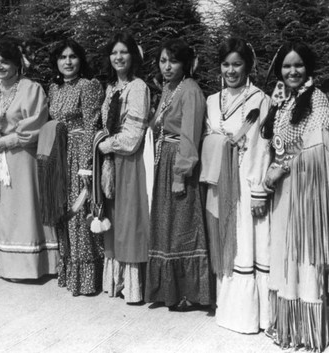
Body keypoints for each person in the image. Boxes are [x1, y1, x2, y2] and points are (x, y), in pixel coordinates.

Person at [261, 41, 329, 351]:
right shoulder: (284, 99)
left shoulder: (317, 100)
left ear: (308, 67)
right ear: (279, 70)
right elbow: (272, 140)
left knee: (304, 255)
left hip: (307, 191)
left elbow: (316, 146)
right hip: (285, 191)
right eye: (286, 66)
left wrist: (280, 167)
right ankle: (288, 328)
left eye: (298, 65)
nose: (292, 71)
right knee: (284, 253)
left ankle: (308, 333)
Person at [200, 38, 271, 332]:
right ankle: (228, 311)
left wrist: (258, 191)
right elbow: (206, 137)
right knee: (225, 238)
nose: (231, 70)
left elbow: (260, 146)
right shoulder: (211, 101)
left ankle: (253, 317)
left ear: (248, 66)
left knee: (246, 242)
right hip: (220, 181)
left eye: (237, 64)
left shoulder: (259, 99)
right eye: (226, 64)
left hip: (245, 179)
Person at [0, 37, 59, 279]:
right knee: (2, 209)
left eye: (4, 62)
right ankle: (4, 264)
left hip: (21, 155)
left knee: (24, 207)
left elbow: (36, 122)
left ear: (16, 64)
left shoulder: (31, 88)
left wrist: (7, 140)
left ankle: (29, 266)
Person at [144, 38, 210, 310]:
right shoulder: (169, 88)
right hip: (163, 159)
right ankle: (167, 291)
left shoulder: (190, 89)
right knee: (166, 225)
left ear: (185, 64)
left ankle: (188, 293)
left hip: (179, 161)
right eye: (162, 61)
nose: (167, 66)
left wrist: (181, 174)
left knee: (183, 225)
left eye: (173, 61)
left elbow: (190, 133)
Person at [97, 32, 150, 304]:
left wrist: (106, 145)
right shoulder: (111, 89)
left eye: (124, 52)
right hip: (111, 164)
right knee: (114, 221)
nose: (119, 57)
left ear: (133, 56)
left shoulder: (138, 87)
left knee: (129, 221)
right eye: (114, 53)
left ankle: (133, 287)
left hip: (128, 162)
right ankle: (115, 281)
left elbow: (132, 137)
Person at [48, 39, 104, 295]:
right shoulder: (54, 89)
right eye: (62, 57)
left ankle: (87, 279)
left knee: (79, 212)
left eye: (72, 57)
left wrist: (86, 167)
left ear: (80, 60)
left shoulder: (88, 86)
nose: (67, 62)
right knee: (62, 212)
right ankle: (68, 271)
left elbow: (92, 125)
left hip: (80, 153)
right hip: (58, 155)